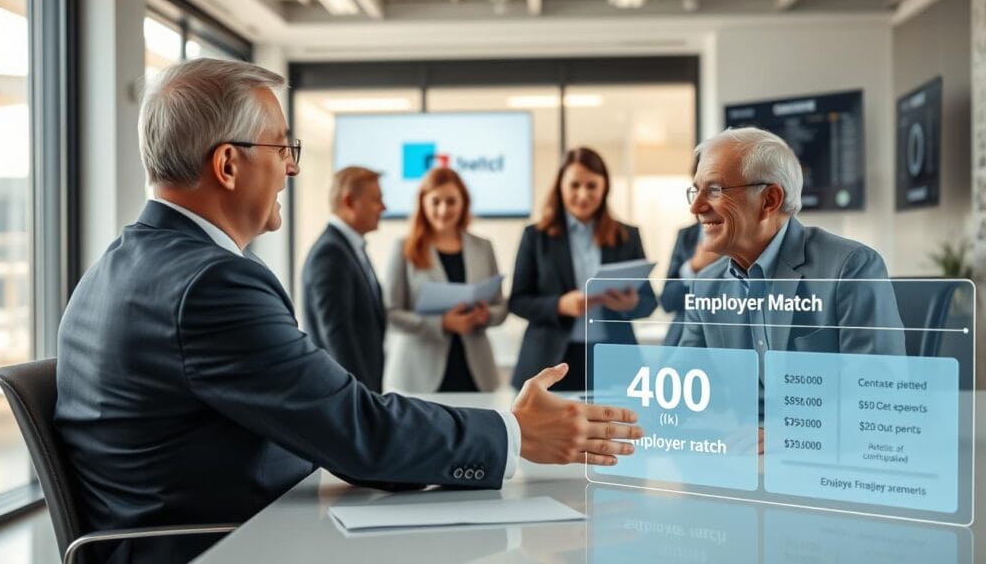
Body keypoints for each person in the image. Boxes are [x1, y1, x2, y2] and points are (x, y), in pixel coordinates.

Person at [54, 59, 642, 564]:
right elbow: (359, 432)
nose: (293, 167)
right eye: (283, 147)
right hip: (218, 544)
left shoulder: (116, 268)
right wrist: (515, 433)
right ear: (228, 165)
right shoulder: (212, 283)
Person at [678, 126, 905, 356]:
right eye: (695, 191)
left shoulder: (851, 268)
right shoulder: (705, 284)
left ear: (769, 200)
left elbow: (875, 386)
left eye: (715, 190)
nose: (695, 207)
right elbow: (683, 381)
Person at [510, 147, 658, 392]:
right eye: (575, 185)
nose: (583, 194)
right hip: (550, 359)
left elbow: (649, 301)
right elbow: (517, 300)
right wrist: (559, 305)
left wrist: (631, 304)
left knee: (619, 428)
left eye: (592, 186)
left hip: (613, 358)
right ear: (560, 187)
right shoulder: (536, 237)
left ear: (604, 188)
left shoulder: (627, 236)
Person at [384, 168, 507, 393]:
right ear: (423, 203)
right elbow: (391, 314)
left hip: (475, 371)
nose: (443, 210)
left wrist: (486, 315)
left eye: (451, 201)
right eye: (435, 201)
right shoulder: (404, 248)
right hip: (419, 373)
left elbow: (500, 307)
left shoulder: (483, 247)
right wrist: (442, 323)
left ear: (463, 203)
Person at [303, 166, 387, 392]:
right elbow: (337, 333)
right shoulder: (331, 253)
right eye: (376, 200)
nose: (384, 207)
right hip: (348, 395)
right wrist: (362, 398)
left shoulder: (350, 248)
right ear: (349, 202)